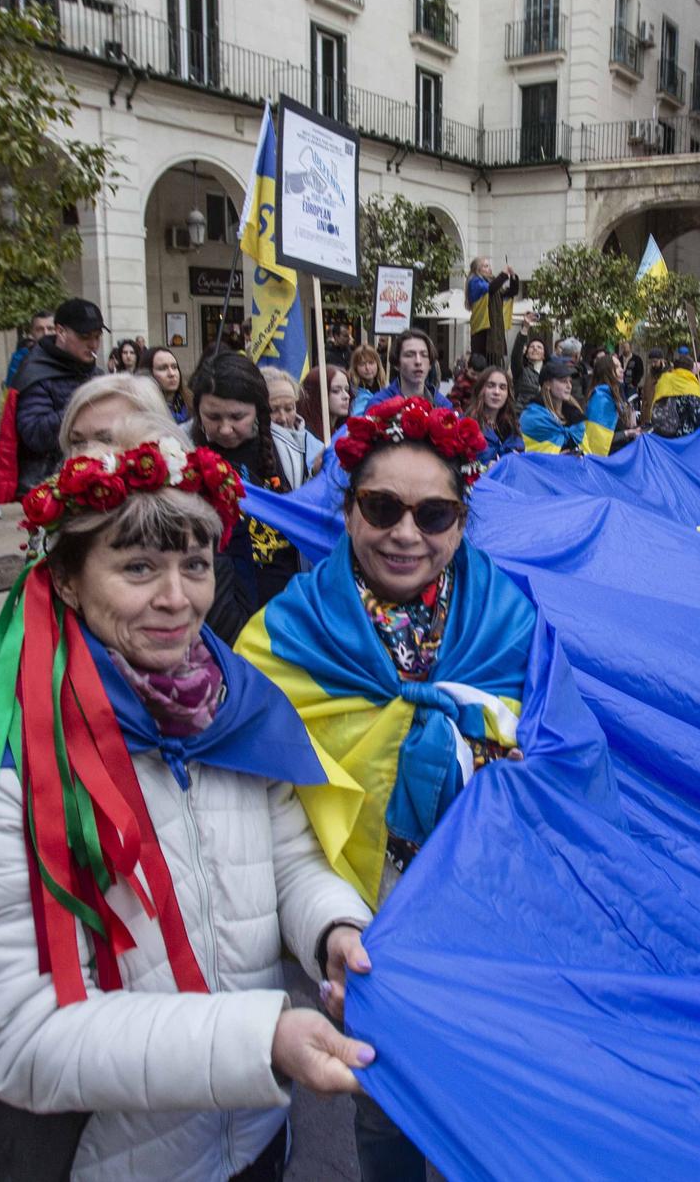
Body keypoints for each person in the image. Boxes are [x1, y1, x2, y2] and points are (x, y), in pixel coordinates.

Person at [0, 416, 374, 1181]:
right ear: (69, 578)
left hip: (254, 1137)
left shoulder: (237, 706)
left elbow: (288, 857)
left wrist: (333, 930)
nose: (177, 599)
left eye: (196, 562)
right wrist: (262, 1039)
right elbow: (25, 1039)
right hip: (113, 1162)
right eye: (139, 567)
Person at [236, 395, 524, 1182]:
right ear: (348, 507)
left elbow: (559, 756)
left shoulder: (510, 618)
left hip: (494, 926)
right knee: (385, 1112)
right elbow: (253, 799)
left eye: (434, 513)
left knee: (492, 1116)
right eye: (382, 505)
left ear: (463, 519)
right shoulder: (285, 633)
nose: (406, 532)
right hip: (369, 931)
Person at [189, 351, 310, 642]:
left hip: (283, 604)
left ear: (259, 410)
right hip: (212, 603)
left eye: (237, 417)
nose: (225, 428)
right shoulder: (178, 453)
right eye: (213, 417)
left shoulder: (294, 452)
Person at [12, 297, 105, 492]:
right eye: (85, 336)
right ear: (61, 331)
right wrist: (85, 406)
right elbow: (35, 434)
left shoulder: (96, 374)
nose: (93, 344)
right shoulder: (36, 372)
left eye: (97, 336)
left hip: (94, 478)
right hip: (50, 488)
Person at [360, 328, 452, 412]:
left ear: (430, 364)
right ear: (397, 364)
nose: (418, 361)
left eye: (424, 355)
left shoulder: (443, 405)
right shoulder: (379, 404)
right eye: (409, 355)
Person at [263, 365, 327, 473]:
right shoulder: (250, 447)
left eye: (289, 409)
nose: (283, 419)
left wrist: (315, 474)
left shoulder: (315, 447)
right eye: (273, 410)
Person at [520, 358, 587, 455]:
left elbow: (587, 451)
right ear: (547, 384)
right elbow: (532, 456)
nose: (569, 386)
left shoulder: (575, 416)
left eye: (570, 381)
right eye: (563, 381)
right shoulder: (533, 417)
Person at [466, 258, 520, 364]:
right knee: (482, 365)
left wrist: (513, 276)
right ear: (477, 270)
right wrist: (503, 275)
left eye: (489, 266)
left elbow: (511, 292)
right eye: (485, 266)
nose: (489, 268)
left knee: (494, 365)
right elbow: (490, 289)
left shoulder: (493, 284)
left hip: (494, 330)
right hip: (482, 331)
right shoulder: (474, 281)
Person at [466, 364, 524, 461]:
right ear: (481, 390)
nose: (497, 392)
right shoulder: (467, 425)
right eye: (491, 386)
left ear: (508, 394)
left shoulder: (512, 426)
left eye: (502, 387)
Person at [649, 347, 700, 439]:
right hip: (684, 436)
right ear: (690, 369)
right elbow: (697, 416)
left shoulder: (663, 380)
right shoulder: (690, 384)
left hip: (663, 433)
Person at [586, 351, 637, 455]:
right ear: (607, 371)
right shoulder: (600, 399)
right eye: (617, 367)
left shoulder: (614, 393)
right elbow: (598, 440)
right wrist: (627, 433)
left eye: (621, 366)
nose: (622, 370)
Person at [297, 363, 354, 447]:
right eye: (336, 391)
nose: (346, 396)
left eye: (347, 390)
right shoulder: (305, 437)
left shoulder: (347, 431)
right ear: (316, 395)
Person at [4, 309, 55, 390]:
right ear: (32, 332)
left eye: (50, 328)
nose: (46, 333)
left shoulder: (68, 353)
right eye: (39, 329)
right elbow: (11, 387)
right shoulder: (20, 357)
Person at [145, 345, 191, 424]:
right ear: (148, 373)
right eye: (163, 368)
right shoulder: (142, 411)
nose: (172, 374)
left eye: (174, 367)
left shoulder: (191, 402)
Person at [512, 337, 548, 410]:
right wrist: (524, 331)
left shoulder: (550, 373)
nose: (535, 348)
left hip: (544, 414)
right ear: (527, 354)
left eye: (539, 347)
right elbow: (515, 356)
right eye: (531, 347)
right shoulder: (520, 371)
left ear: (544, 355)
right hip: (522, 413)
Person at [349, 344, 386, 414]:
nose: (367, 368)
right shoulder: (353, 391)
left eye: (371, 363)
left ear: (377, 364)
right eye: (362, 364)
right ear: (355, 367)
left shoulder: (384, 388)